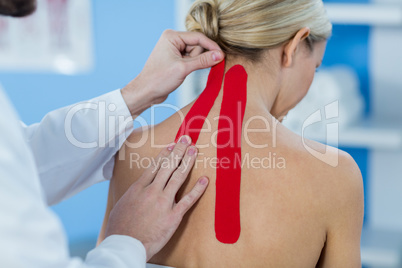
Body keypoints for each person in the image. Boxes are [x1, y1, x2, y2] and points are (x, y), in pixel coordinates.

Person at [99, 0, 365, 267]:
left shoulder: (132, 148)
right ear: (294, 46)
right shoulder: (333, 175)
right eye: (316, 66)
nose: (312, 78)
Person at [0, 0, 226, 267]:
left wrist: (139, 92)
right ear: (290, 49)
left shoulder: (137, 149)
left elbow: (20, 162)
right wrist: (129, 241)